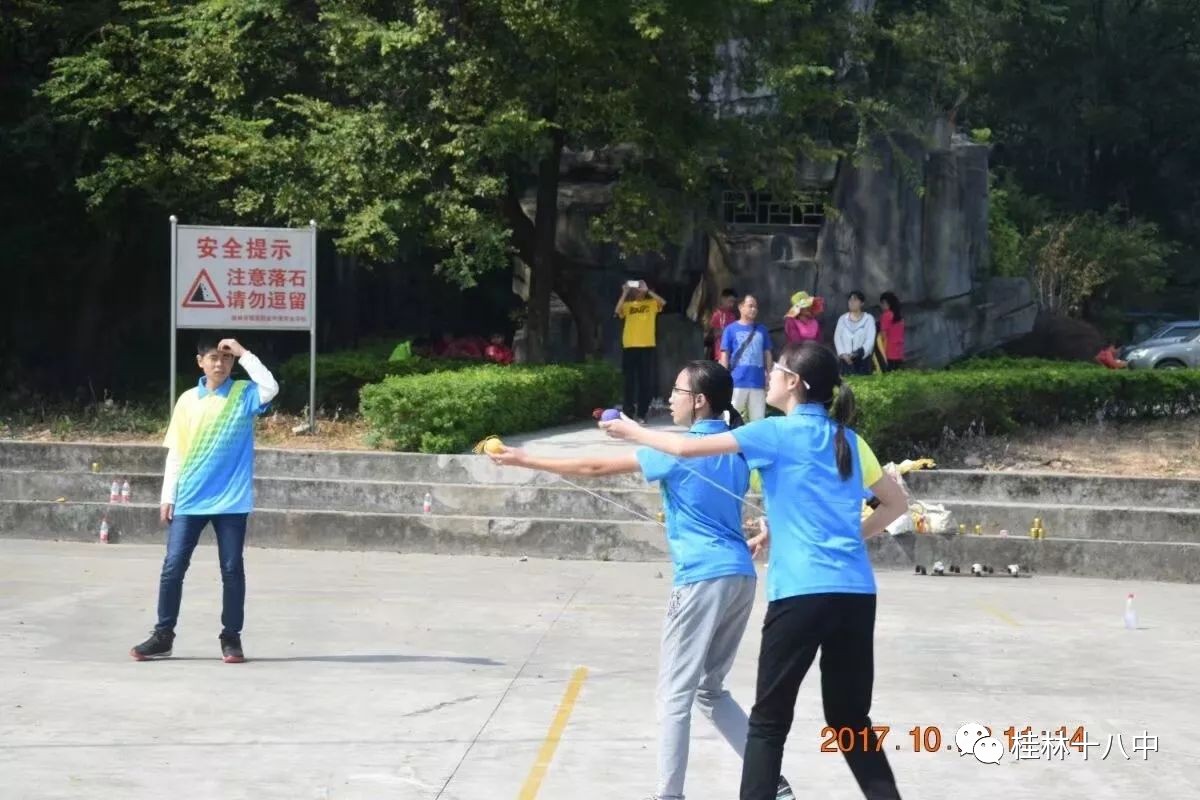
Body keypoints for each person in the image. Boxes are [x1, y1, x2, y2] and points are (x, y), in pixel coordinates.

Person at [603, 341, 908, 800]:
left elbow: (686, 450)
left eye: (776, 369)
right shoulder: (849, 438)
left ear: (794, 383)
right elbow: (896, 504)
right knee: (850, 721)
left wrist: (631, 429)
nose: (768, 375)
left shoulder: (774, 433)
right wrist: (846, 539)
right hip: (856, 593)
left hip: (801, 594)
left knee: (767, 725)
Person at [490, 361, 795, 800]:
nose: (670, 398)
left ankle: (668, 796)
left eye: (677, 391)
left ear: (700, 400)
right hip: (741, 578)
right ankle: (773, 783)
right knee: (709, 690)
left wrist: (523, 458)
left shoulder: (681, 447)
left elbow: (596, 467)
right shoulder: (737, 447)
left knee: (674, 694)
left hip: (701, 579)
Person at [129, 339, 279, 663]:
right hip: (191, 498)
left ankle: (231, 638)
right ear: (200, 361)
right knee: (173, 567)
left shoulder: (243, 394)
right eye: (214, 358)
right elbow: (177, 452)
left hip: (231, 501)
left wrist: (244, 353)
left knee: (231, 569)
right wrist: (168, 495)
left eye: (226, 359)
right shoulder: (186, 401)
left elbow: (270, 386)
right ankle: (163, 635)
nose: (220, 364)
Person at [617, 279, 667, 423]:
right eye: (636, 288)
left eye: (639, 288)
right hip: (629, 345)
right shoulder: (628, 305)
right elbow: (617, 310)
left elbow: (663, 303)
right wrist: (625, 292)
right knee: (628, 381)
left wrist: (648, 291)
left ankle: (642, 414)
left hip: (647, 345)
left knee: (645, 381)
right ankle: (628, 413)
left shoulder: (651, 304)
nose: (638, 290)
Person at [720, 294, 774, 422]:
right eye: (750, 306)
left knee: (758, 420)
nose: (754, 309)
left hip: (758, 382)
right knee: (730, 417)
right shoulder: (730, 329)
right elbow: (725, 354)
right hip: (737, 380)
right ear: (741, 307)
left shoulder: (762, 330)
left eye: (755, 307)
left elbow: (767, 353)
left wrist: (769, 375)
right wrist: (722, 377)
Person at [834, 291, 877, 376]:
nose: (852, 302)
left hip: (862, 361)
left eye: (855, 300)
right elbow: (837, 338)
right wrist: (843, 354)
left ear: (862, 303)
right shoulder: (842, 319)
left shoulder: (868, 319)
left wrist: (857, 354)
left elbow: (870, 340)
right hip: (845, 361)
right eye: (850, 300)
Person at [706, 288, 739, 361]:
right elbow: (713, 333)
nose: (732, 304)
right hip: (719, 354)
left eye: (734, 302)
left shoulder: (733, 316)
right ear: (723, 299)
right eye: (730, 301)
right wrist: (727, 330)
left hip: (731, 353)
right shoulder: (716, 314)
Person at [878, 292, 905, 371]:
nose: (881, 306)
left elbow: (883, 335)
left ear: (888, 303)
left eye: (882, 303)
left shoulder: (886, 315)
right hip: (899, 351)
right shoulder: (900, 317)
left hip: (888, 352)